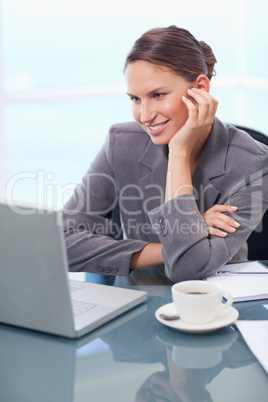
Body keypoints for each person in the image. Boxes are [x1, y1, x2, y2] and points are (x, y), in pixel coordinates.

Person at [62, 25, 268, 282]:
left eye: (158, 95)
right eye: (135, 99)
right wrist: (189, 234)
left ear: (201, 89)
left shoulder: (253, 163)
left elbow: (187, 269)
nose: (145, 116)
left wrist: (179, 151)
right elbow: (62, 243)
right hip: (139, 297)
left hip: (216, 299)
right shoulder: (121, 142)